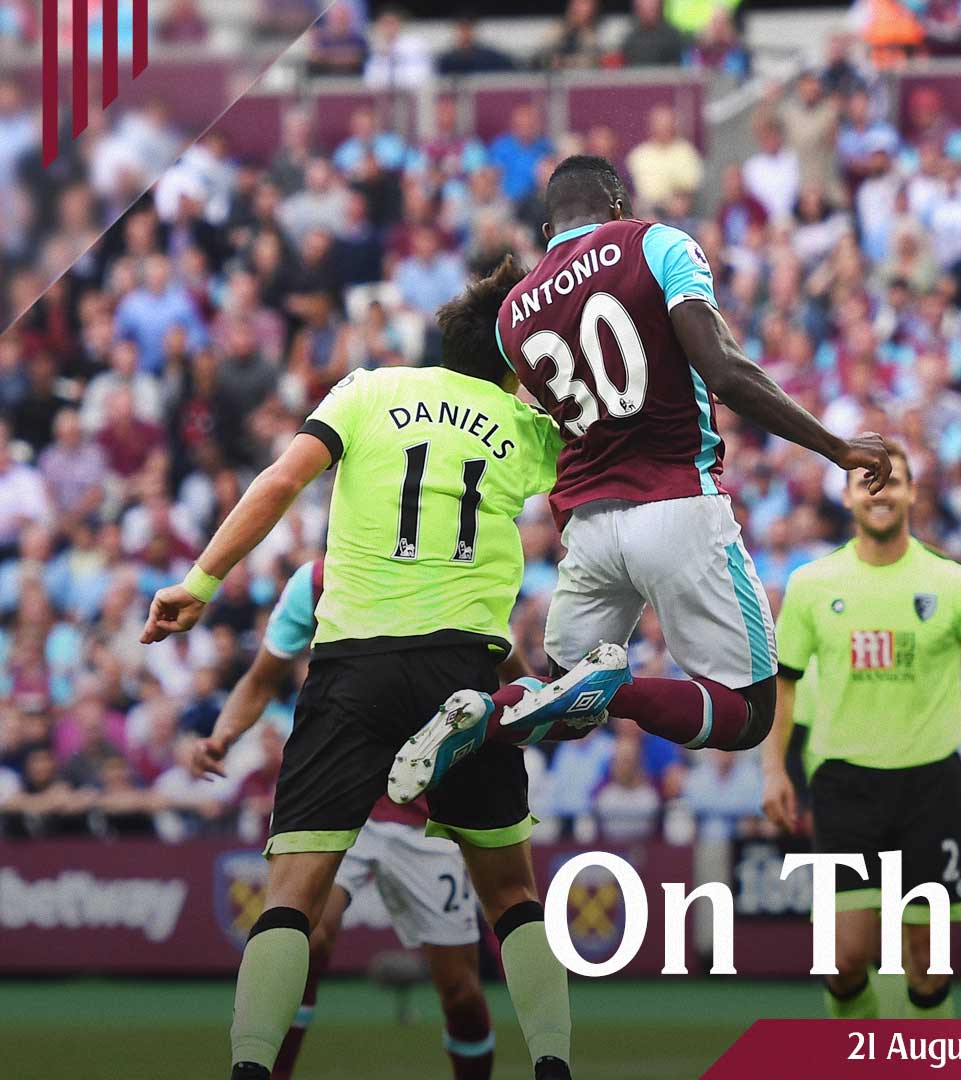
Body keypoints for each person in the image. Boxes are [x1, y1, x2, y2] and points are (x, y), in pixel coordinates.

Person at [142, 262, 591, 1080]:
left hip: (354, 666)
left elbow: (282, 480)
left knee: (290, 898)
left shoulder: (364, 390)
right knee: (512, 899)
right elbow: (606, 484)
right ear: (513, 359)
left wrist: (200, 583)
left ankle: (249, 1068)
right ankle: (553, 1066)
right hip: (465, 668)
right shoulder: (528, 430)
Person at [391, 154, 890, 800]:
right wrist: (835, 446)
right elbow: (724, 370)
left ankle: (482, 714)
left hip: (588, 527)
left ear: (547, 231)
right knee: (748, 714)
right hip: (677, 502)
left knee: (560, 704)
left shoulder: (513, 313)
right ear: (618, 205)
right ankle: (618, 690)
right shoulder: (657, 244)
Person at [759, 448, 961, 1021]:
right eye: (867, 482)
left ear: (913, 493)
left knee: (928, 963)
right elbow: (783, 686)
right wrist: (773, 769)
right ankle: (859, 1050)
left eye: (893, 482)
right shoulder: (811, 584)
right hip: (843, 783)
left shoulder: (953, 583)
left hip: (931, 785)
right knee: (845, 959)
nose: (879, 492)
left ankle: (922, 1057)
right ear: (847, 496)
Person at [190, 560, 496, 1080]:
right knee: (307, 940)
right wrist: (222, 735)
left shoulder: (446, 570)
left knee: (462, 993)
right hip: (339, 797)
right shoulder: (315, 582)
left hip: (424, 811)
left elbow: (502, 672)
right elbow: (262, 678)